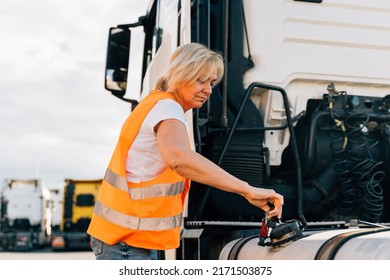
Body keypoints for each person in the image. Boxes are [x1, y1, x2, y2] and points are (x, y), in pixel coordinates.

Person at [87, 42, 284, 260]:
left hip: (127, 237)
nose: (209, 90)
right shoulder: (167, 107)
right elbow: (179, 158)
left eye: (211, 82)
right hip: (127, 242)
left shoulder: (155, 104)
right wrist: (247, 190)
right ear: (180, 74)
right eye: (201, 80)